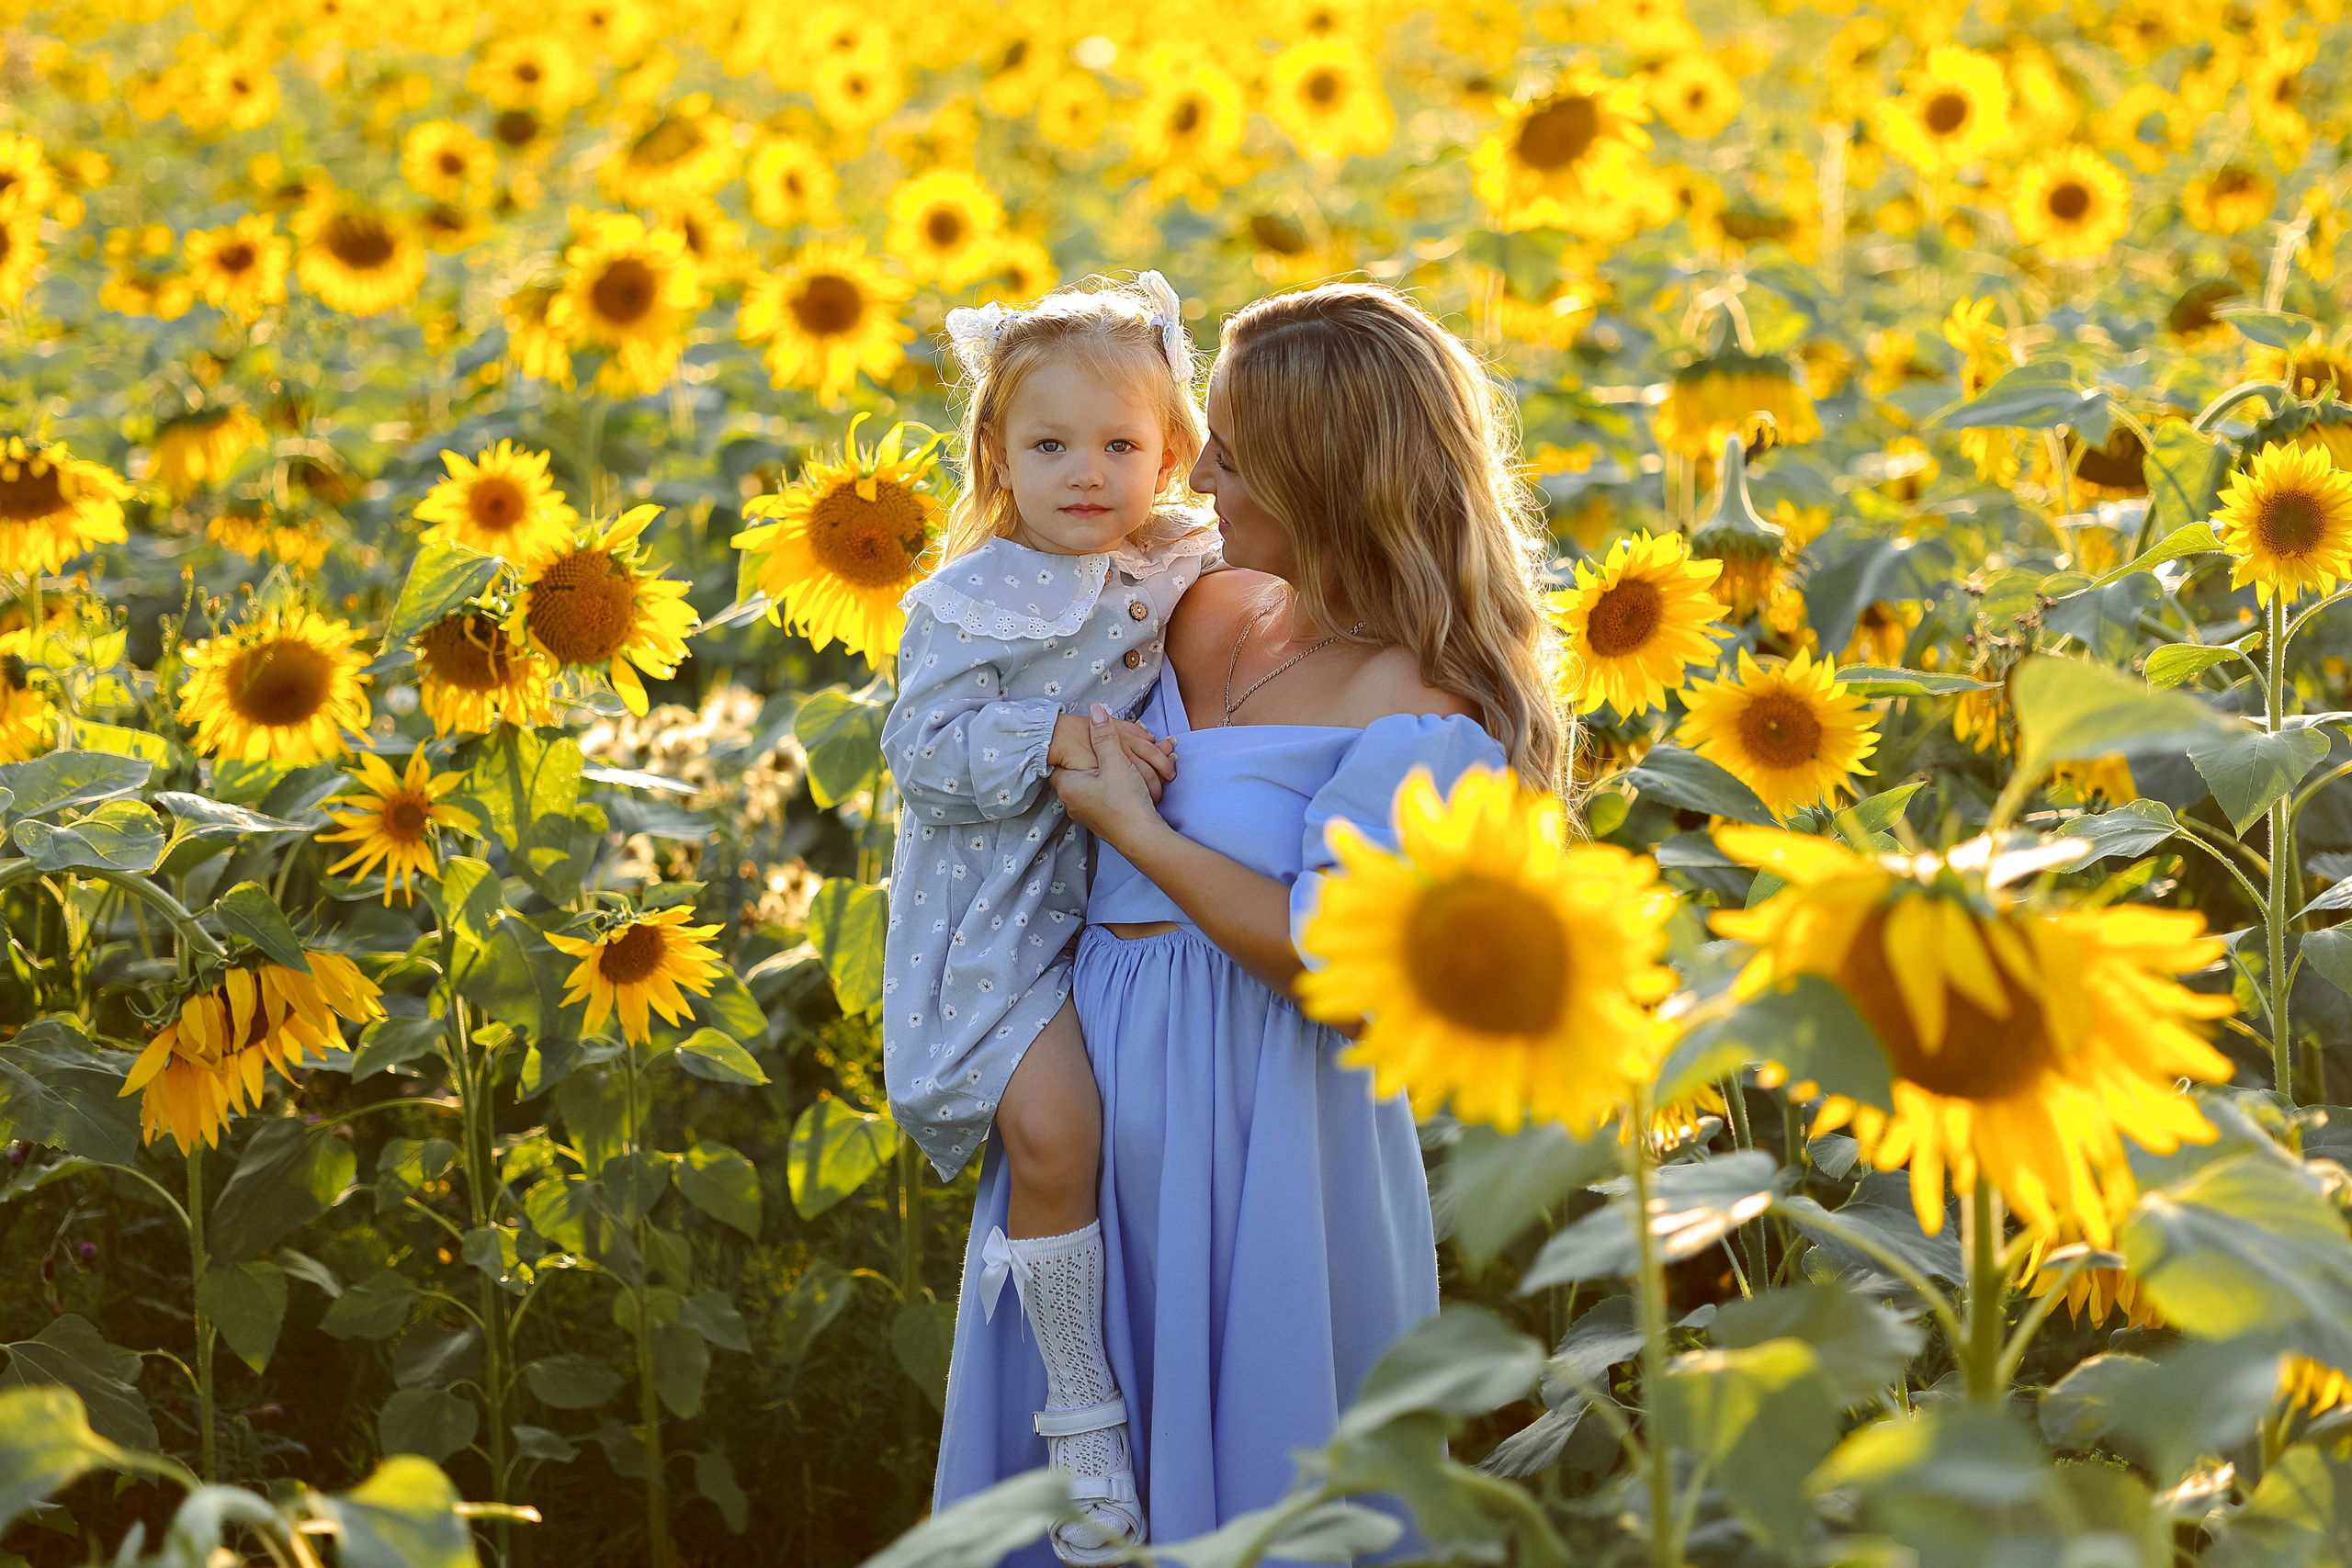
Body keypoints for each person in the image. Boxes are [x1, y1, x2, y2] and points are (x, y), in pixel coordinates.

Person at [931, 281, 1563, 1554]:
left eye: (1231, 444)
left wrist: (1138, 834)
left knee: (1261, 1475)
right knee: (1084, 1455)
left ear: (1321, 473)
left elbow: (1339, 962)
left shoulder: (1424, 703)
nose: (1198, 466)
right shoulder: (1189, 602)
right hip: (1097, 1084)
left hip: (1273, 1121)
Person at [882, 271, 1217, 1562]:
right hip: (996, 914)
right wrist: (1058, 733)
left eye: (1123, 445)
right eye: (1052, 445)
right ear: (998, 457)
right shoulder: (968, 599)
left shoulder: (1185, 553)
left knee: (1118, 1135)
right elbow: (924, 753)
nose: (1090, 472)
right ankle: (1081, 1421)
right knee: (1056, 1127)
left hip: (1120, 904)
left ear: (1173, 450)